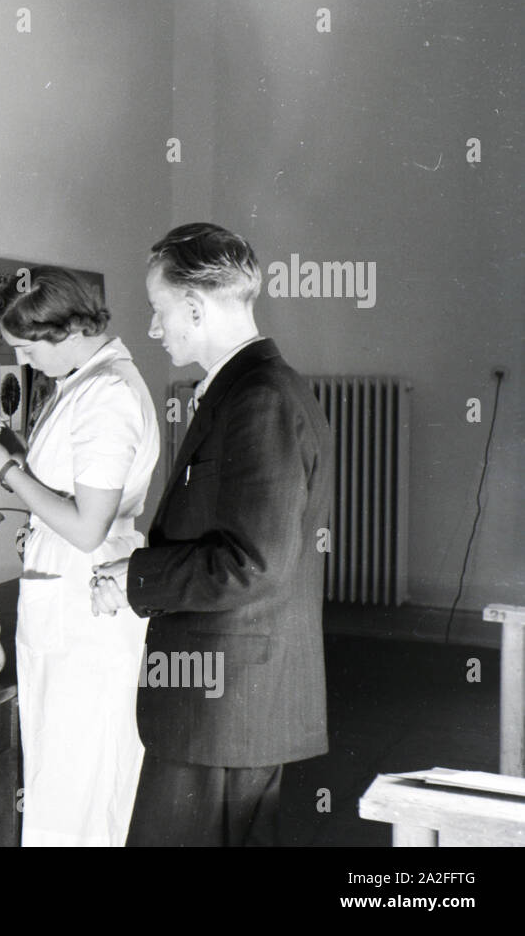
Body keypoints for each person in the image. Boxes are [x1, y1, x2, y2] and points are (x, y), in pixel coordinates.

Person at [90, 223, 333, 846]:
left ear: (195, 308)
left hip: (225, 707)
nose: (153, 328)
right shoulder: (256, 389)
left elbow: (252, 563)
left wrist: (133, 579)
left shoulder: (260, 400)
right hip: (226, 699)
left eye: (158, 310)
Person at [0, 266, 160, 846]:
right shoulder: (86, 380)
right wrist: (16, 454)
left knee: (79, 785)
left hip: (86, 605)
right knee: (61, 777)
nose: (23, 362)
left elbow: (87, 525)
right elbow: (69, 489)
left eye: (25, 348)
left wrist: (4, 469)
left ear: (68, 330)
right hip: (71, 600)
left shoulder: (108, 395)